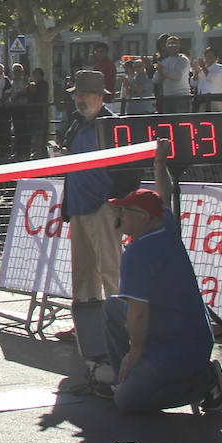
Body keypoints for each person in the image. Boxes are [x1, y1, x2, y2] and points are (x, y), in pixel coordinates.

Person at [104, 153, 222, 414]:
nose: (120, 213)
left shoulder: (138, 252)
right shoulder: (164, 225)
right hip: (192, 334)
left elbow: (137, 313)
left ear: (146, 217)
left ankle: (204, 381)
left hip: (176, 347)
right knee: (111, 307)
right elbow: (163, 195)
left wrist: (133, 354)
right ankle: (127, 378)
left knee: (126, 401)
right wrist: (159, 164)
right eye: (120, 208)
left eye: (126, 210)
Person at [60, 71, 127, 317]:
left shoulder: (114, 126)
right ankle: (88, 332)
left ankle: (121, 329)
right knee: (83, 276)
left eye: (83, 94)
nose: (78, 99)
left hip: (104, 207)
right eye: (76, 94)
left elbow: (129, 171)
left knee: (112, 272)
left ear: (100, 97)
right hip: (78, 206)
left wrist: (117, 204)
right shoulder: (76, 124)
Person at [157, 37, 192, 113]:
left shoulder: (183, 60)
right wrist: (155, 69)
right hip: (167, 97)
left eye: (174, 44)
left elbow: (177, 76)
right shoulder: (164, 61)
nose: (172, 46)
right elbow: (156, 79)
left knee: (182, 122)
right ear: (166, 46)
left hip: (181, 97)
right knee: (169, 122)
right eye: (169, 44)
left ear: (179, 46)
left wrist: (162, 70)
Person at [193, 48, 222, 112]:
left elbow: (211, 78)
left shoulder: (219, 68)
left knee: (216, 120)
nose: (209, 58)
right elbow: (193, 83)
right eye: (207, 56)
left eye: (211, 56)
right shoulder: (201, 70)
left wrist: (203, 67)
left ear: (216, 58)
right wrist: (197, 71)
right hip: (202, 99)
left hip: (216, 99)